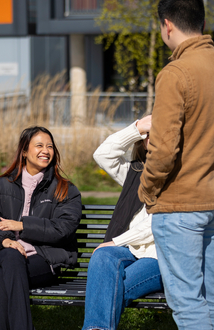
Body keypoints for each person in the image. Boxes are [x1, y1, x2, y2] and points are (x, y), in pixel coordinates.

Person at [138, 0, 214, 330]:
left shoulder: (176, 73)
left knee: (188, 307)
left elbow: (163, 149)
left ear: (166, 26)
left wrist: (147, 190)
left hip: (180, 206)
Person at [0, 126, 82, 330]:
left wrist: (22, 225)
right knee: (11, 256)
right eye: (39, 145)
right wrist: (5, 241)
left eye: (50, 146)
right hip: (6, 253)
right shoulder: (1, 185)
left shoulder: (65, 189)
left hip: (44, 259)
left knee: (4, 277)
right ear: (24, 151)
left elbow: (63, 228)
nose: (46, 151)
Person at [82, 115, 163, 330]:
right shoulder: (134, 173)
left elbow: (158, 225)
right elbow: (102, 155)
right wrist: (137, 127)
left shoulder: (180, 178)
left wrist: (117, 241)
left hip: (160, 257)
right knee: (102, 255)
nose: (154, 139)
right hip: (128, 249)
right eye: (149, 135)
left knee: (109, 290)